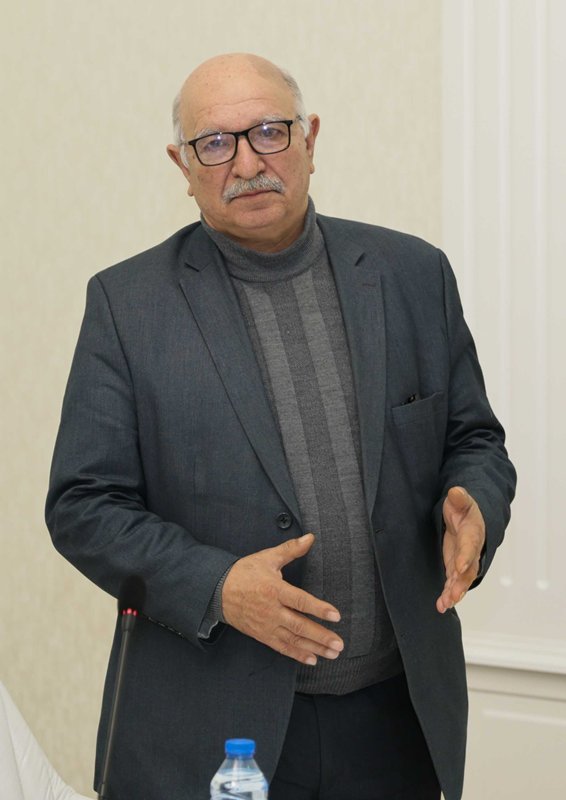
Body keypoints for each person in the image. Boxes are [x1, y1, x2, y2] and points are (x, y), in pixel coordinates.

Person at [46, 53, 516, 800]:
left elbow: (474, 440)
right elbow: (83, 506)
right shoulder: (127, 305)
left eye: (269, 131)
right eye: (215, 143)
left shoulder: (412, 274)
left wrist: (476, 504)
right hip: (212, 727)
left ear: (310, 138)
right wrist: (218, 586)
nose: (246, 162)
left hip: (395, 721)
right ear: (182, 164)